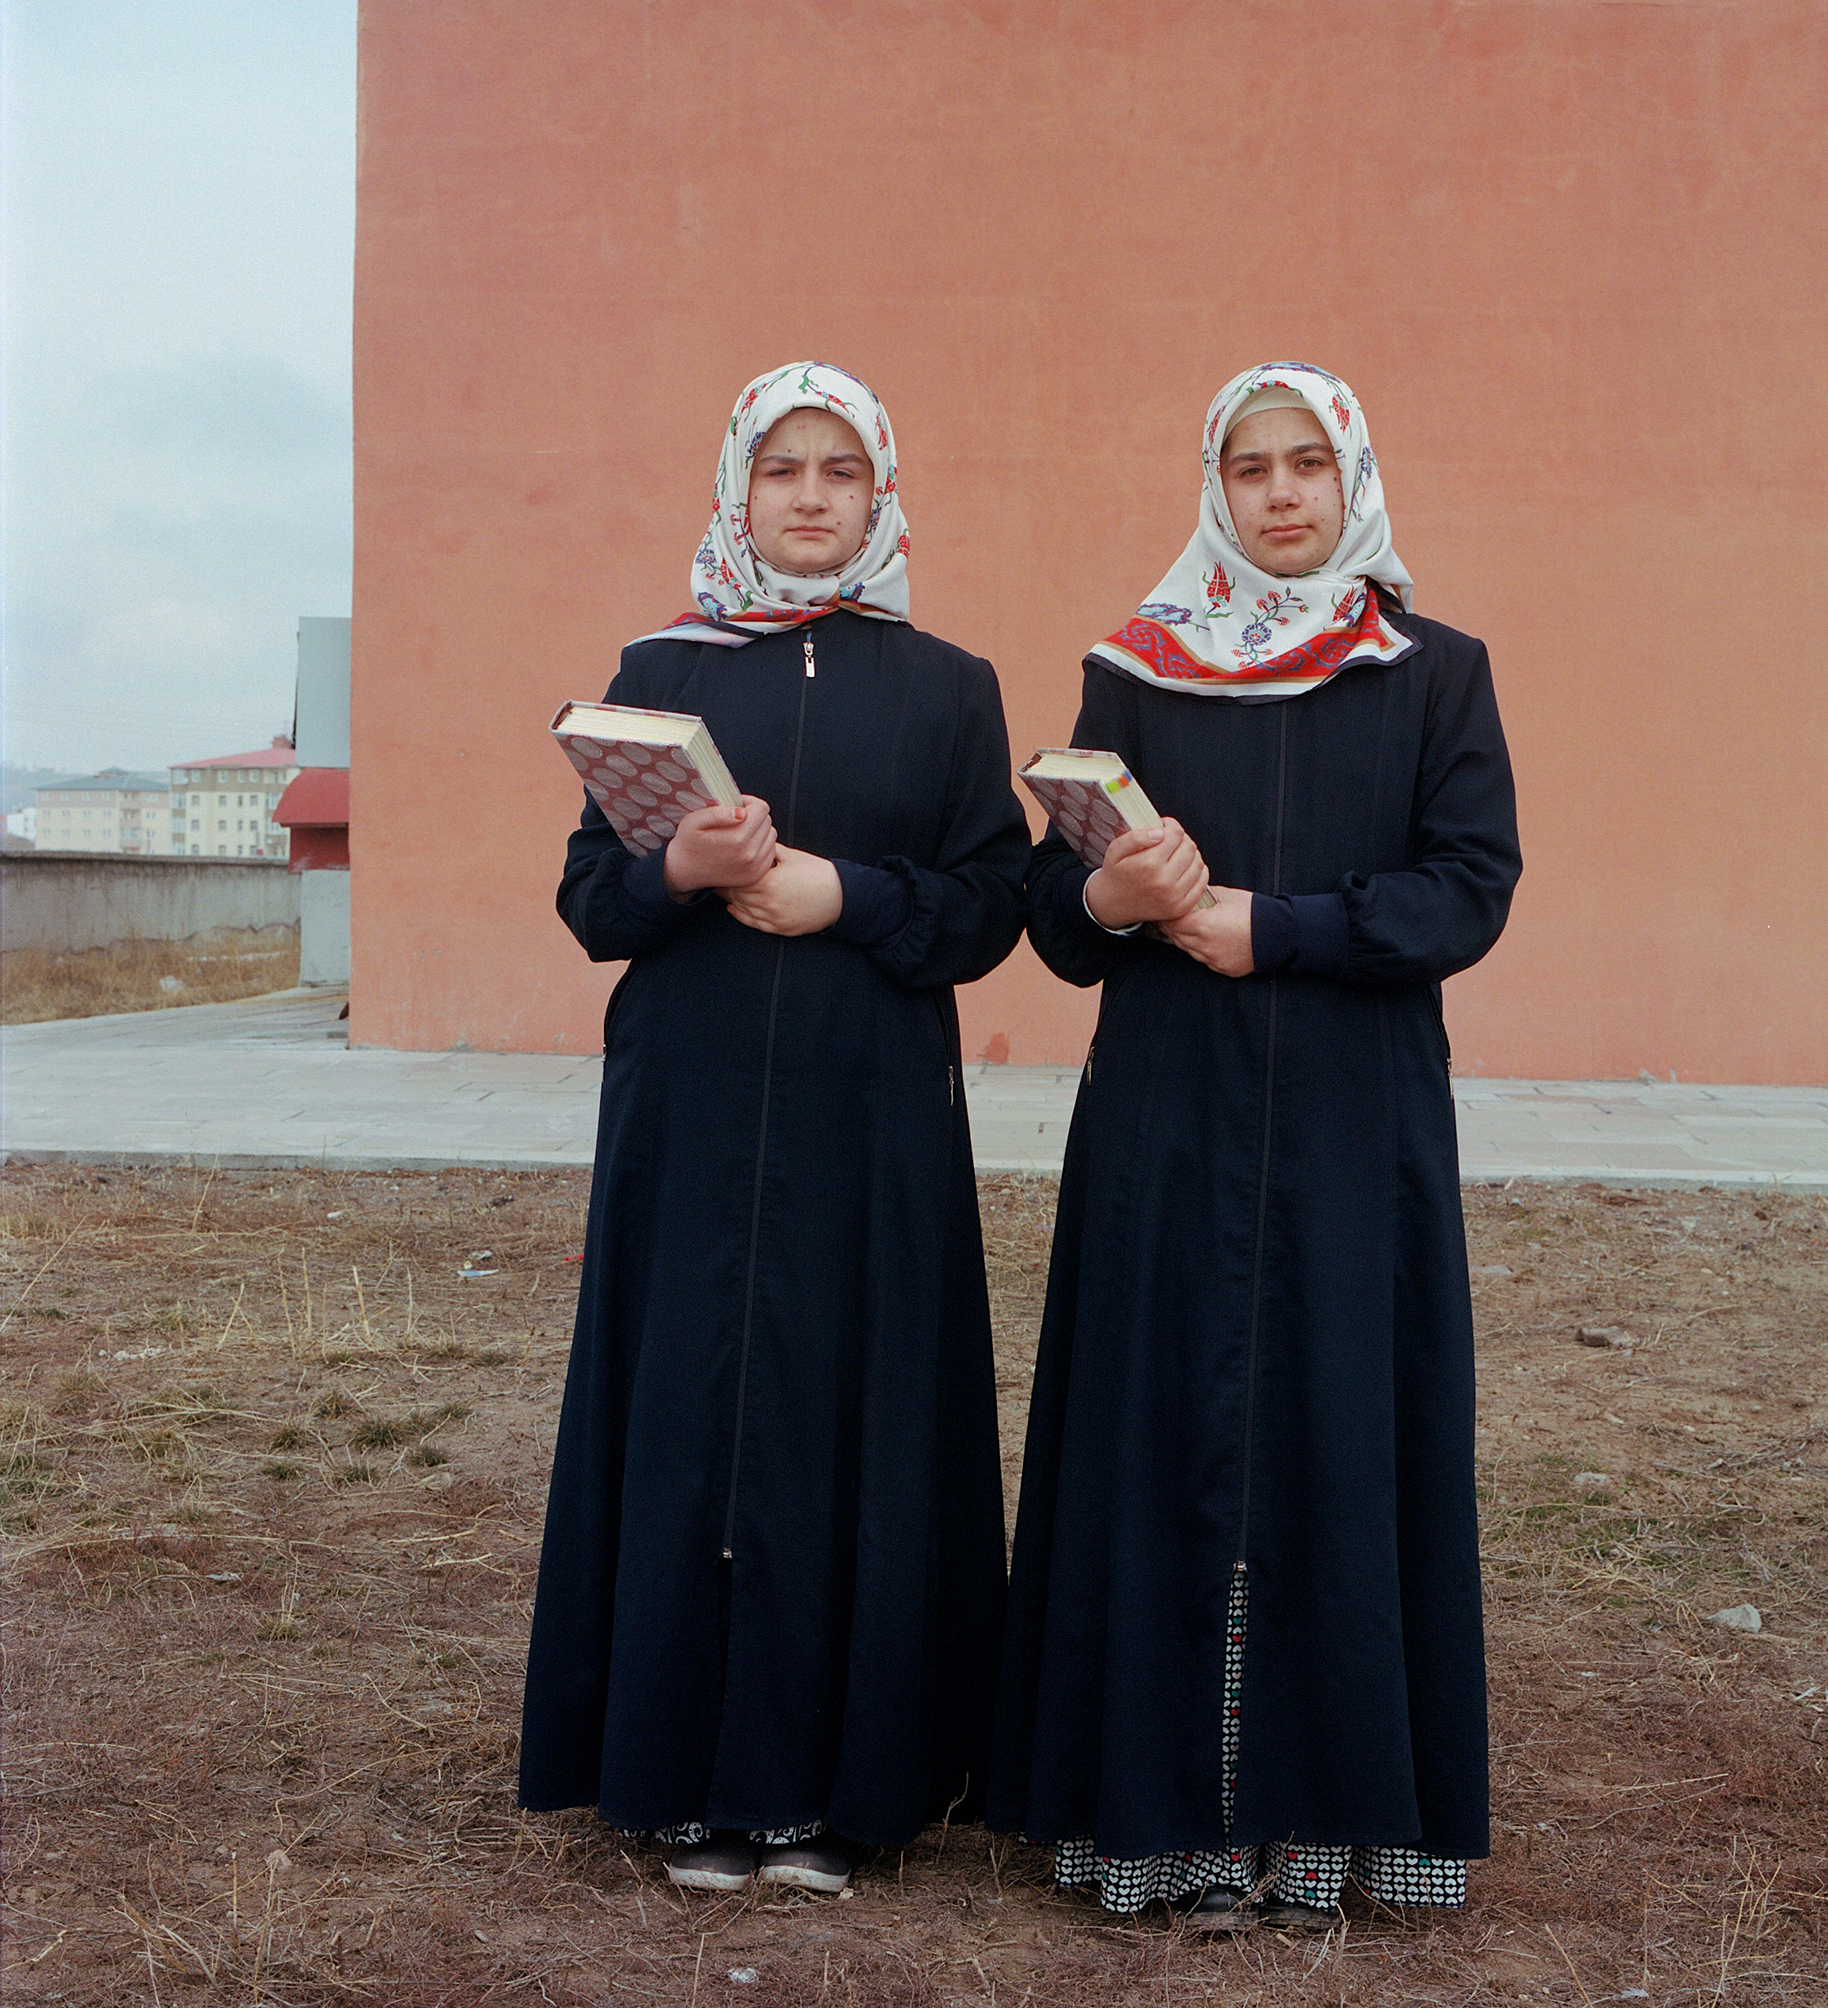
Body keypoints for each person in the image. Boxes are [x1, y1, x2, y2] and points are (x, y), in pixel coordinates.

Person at [988, 362, 1521, 1926]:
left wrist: (1269, 927)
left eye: (1306, 464)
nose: (1281, 494)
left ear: (1352, 477)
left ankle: (1332, 1819)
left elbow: (1468, 888)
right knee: (1167, 1439)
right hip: (1168, 1124)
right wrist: (1113, 898)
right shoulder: (1138, 674)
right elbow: (1053, 919)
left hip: (1360, 1131)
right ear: (1212, 491)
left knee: (1339, 1440)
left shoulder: (1435, 671)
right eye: (1249, 468)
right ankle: (1169, 1823)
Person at [520, 362, 1030, 1899]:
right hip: (685, 1120)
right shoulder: (659, 670)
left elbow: (994, 903)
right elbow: (586, 899)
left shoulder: (948, 685)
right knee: (692, 1417)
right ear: (736, 490)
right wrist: (675, 866)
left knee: (850, 1423)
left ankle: (845, 1795)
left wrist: (845, 896)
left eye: (842, 473)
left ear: (882, 496)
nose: (810, 497)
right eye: (781, 471)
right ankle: (686, 1785)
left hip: (870, 1123)